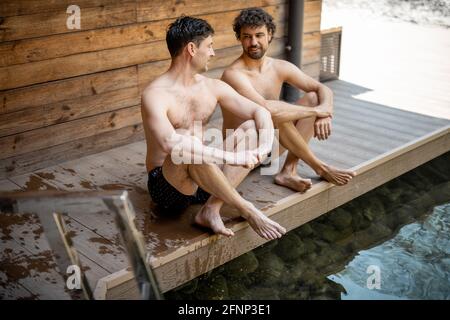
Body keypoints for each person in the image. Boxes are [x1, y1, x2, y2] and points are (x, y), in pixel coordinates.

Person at [141, 16, 286, 240]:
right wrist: (230, 156)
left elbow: (261, 111)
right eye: (209, 46)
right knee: (184, 145)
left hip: (205, 179)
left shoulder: (212, 86)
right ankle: (247, 209)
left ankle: (210, 209)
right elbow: (170, 143)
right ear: (191, 48)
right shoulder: (155, 94)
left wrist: (264, 147)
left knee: (252, 127)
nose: (212, 53)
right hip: (169, 186)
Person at [221, 8, 356, 193]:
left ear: (270, 35)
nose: (253, 42)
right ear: (240, 38)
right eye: (247, 36)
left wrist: (326, 110)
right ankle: (320, 167)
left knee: (313, 98)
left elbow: (322, 89)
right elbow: (267, 109)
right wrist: (317, 112)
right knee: (272, 114)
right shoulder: (233, 74)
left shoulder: (278, 67)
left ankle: (288, 171)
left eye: (259, 35)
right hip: (241, 151)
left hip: (269, 146)